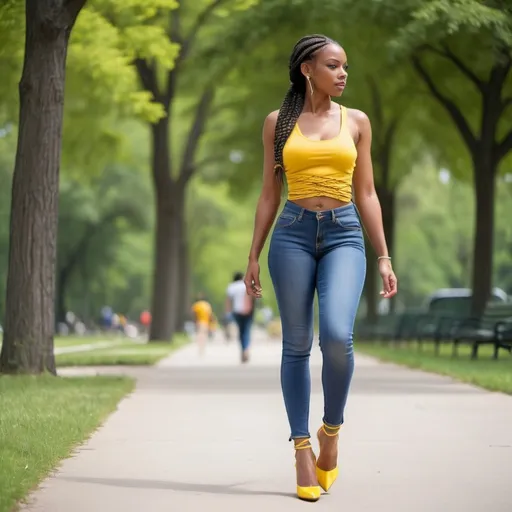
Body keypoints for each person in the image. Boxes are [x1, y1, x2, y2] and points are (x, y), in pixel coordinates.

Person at [243, 34, 397, 502]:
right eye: (333, 65)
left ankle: (331, 428)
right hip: (290, 232)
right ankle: (302, 448)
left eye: (345, 66)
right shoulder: (278, 122)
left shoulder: (357, 122)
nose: (343, 73)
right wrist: (253, 252)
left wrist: (384, 254)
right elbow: (270, 194)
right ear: (307, 69)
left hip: (344, 233)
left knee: (335, 335)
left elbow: (367, 192)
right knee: (295, 344)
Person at [225, 271, 255, 363]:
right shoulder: (247, 285)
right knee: (247, 330)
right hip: (248, 311)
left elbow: (229, 301)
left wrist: (228, 313)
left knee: (241, 331)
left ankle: (243, 349)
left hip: (236, 312)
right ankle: (246, 349)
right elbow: (253, 298)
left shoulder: (231, 287)